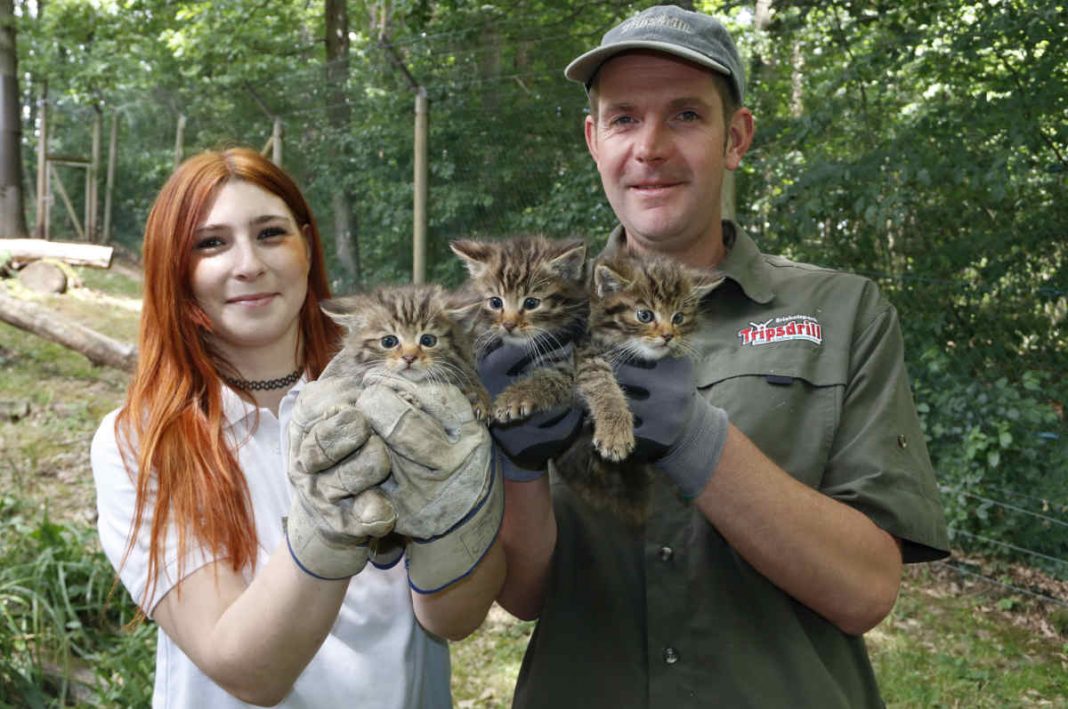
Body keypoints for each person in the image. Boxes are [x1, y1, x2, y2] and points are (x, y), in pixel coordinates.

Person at [478, 6, 951, 707]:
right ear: (593, 139)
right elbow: (523, 595)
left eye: (687, 116)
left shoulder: (842, 312)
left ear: (737, 138)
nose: (651, 146)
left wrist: (701, 442)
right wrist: (515, 468)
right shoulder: (540, 327)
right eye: (624, 117)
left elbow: (867, 591)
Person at [91, 147, 504, 707]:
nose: (248, 265)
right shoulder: (138, 442)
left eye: (269, 233)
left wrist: (459, 514)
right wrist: (324, 527)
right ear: (175, 267)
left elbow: (456, 618)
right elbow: (250, 673)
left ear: (306, 245)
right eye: (211, 243)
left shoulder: (414, 396)